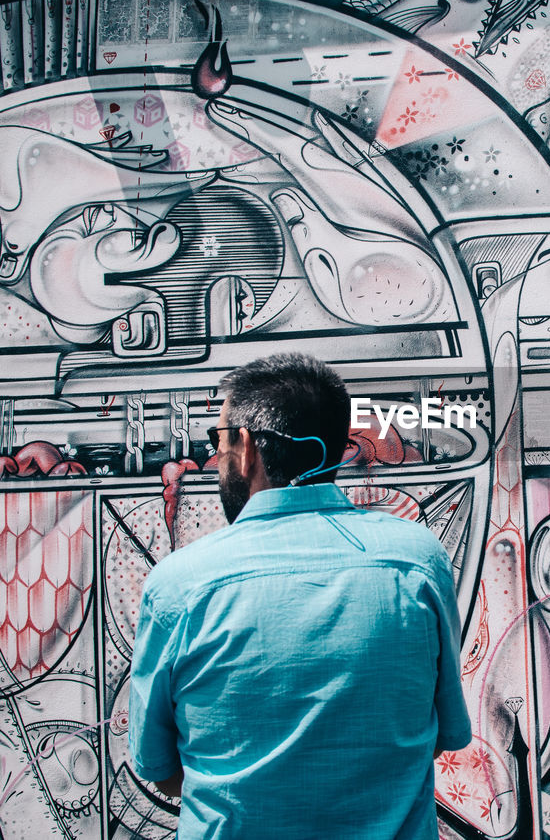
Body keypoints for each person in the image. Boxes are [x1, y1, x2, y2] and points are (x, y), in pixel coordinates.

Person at [128, 352, 471, 839]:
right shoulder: (417, 562)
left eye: (220, 441)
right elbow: (439, 736)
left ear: (245, 448)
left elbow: (159, 768)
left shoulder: (180, 587)